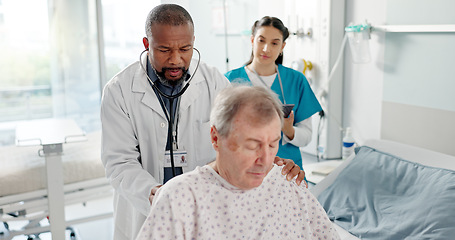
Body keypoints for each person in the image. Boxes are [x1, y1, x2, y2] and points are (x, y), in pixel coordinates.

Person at [101, 5, 306, 240]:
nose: (176, 59)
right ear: (147, 45)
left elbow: (239, 138)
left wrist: (271, 163)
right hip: (145, 213)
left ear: (194, 41)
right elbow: (119, 163)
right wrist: (155, 193)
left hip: (206, 211)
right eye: (164, 50)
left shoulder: (214, 81)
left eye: (185, 48)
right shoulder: (119, 91)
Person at [136, 85, 340, 240]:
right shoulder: (180, 198)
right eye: (252, 146)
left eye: (272, 145)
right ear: (216, 138)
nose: (265, 160)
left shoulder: (288, 183)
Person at [225, 16, 322, 169]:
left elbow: (306, 136)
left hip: (287, 169)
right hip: (243, 167)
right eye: (261, 40)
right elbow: (219, 130)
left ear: (282, 46)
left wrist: (289, 130)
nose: (266, 49)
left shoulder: (296, 80)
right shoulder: (230, 80)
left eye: (274, 43)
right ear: (252, 40)